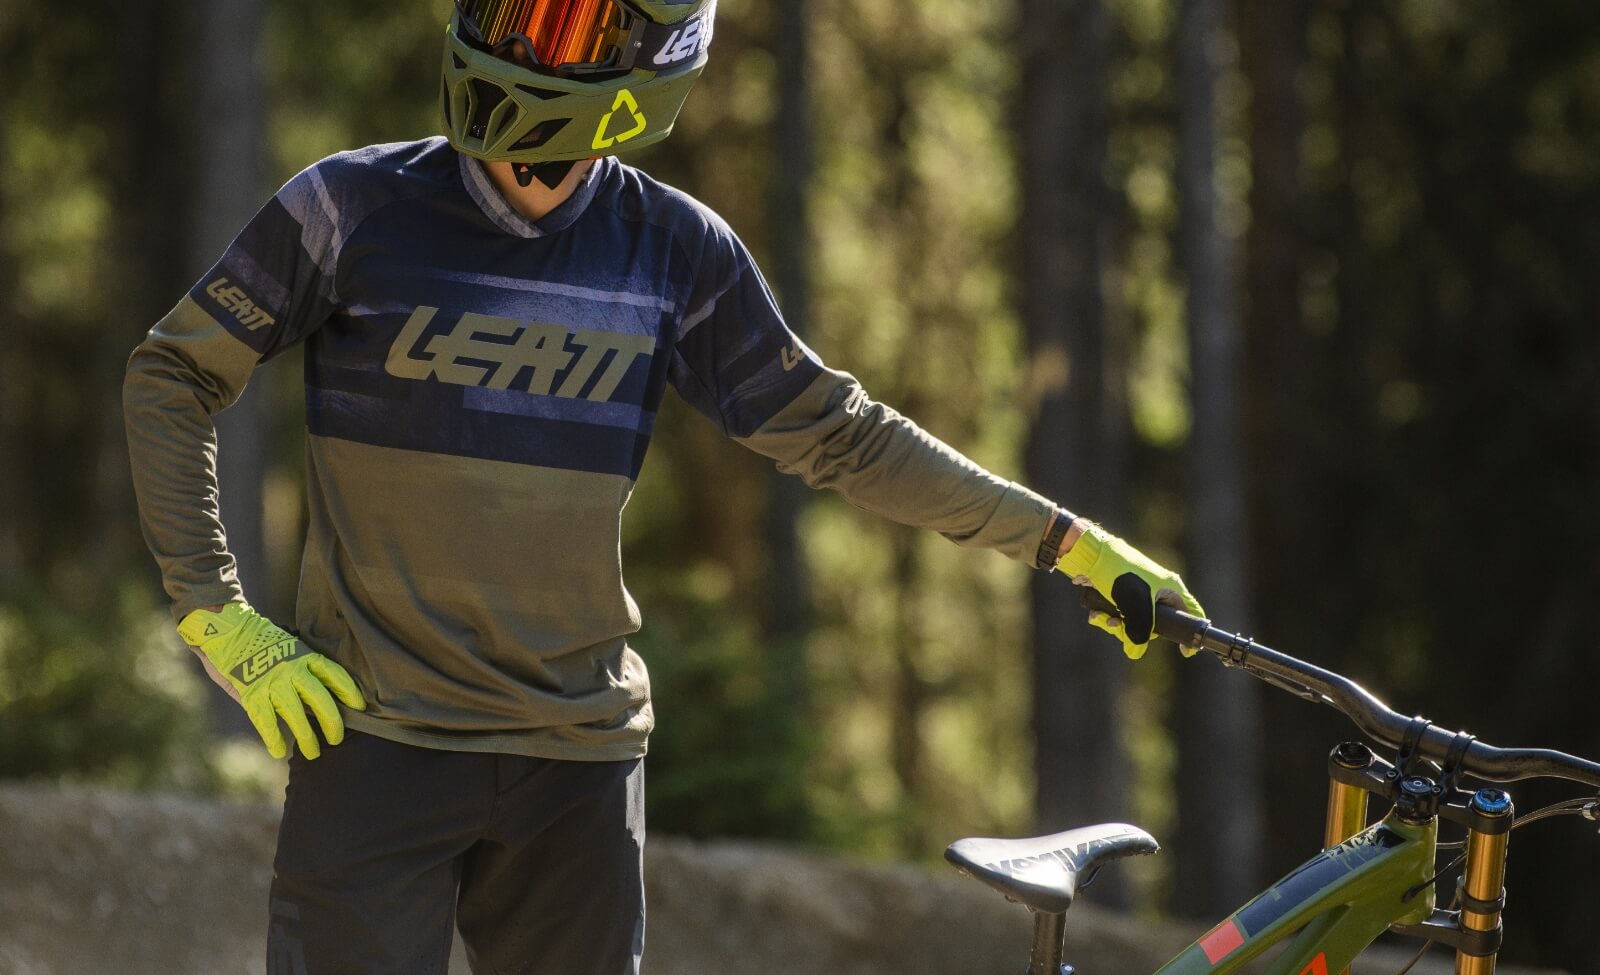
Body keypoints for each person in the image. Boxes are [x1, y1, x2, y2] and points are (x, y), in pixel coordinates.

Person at [123, 0, 1203, 971]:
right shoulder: (345, 207)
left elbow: (844, 437)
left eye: (562, 24)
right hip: (373, 741)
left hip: (576, 766)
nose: (517, 41)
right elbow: (173, 374)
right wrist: (219, 615)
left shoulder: (675, 250)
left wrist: (1066, 542)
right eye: (506, 11)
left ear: (653, 59)